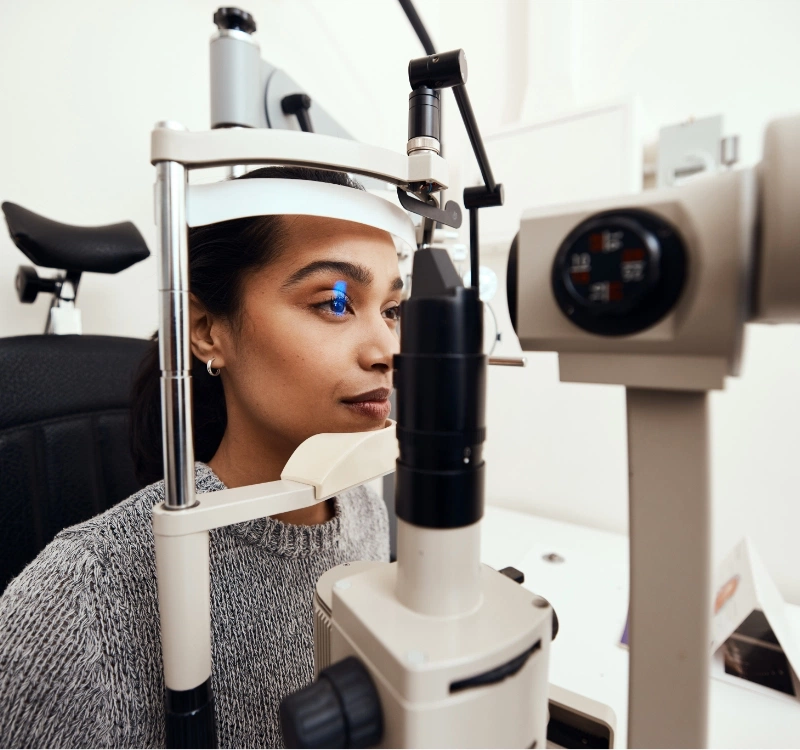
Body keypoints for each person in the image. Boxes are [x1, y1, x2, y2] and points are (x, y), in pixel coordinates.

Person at [0, 167, 402, 747]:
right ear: (208, 329)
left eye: (390, 308)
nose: (387, 348)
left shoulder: (364, 508)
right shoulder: (78, 600)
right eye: (335, 301)